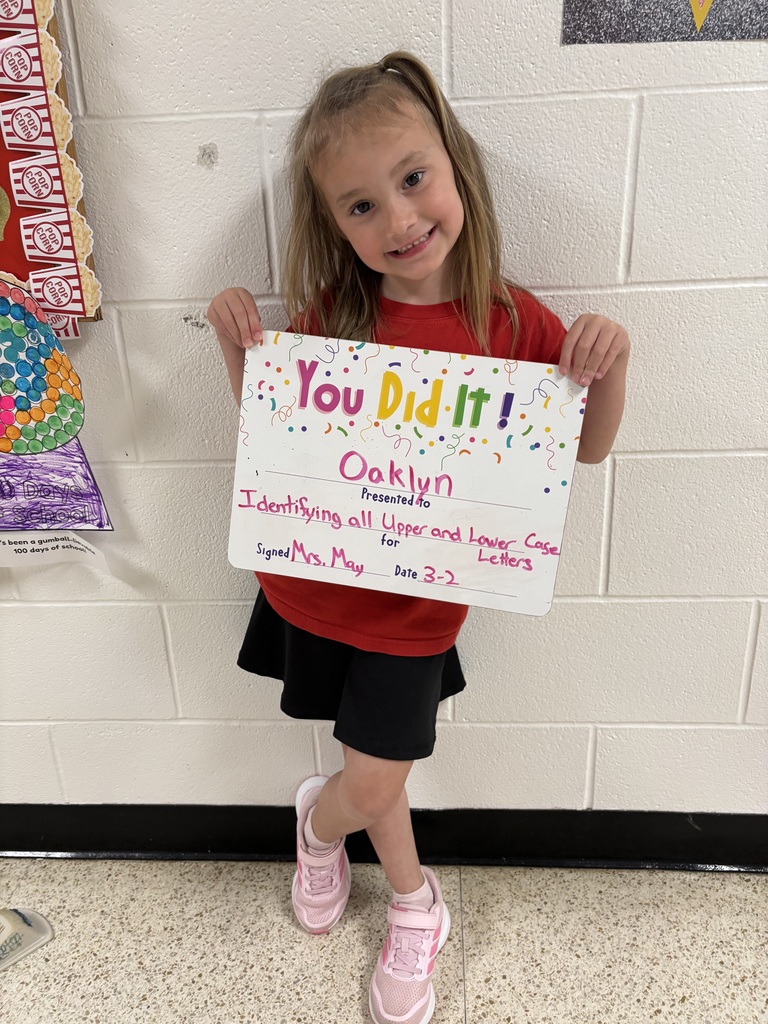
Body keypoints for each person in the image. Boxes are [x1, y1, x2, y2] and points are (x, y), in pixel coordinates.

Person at [208, 50, 629, 1024]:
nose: (398, 220)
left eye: (412, 179)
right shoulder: (335, 317)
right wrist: (241, 355)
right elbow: (283, 446)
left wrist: (611, 367)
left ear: (455, 167)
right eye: (361, 206)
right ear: (333, 225)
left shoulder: (511, 322)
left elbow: (589, 450)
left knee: (368, 777)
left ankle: (352, 853)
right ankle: (387, 880)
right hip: (314, 591)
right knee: (375, 770)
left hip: (416, 614)